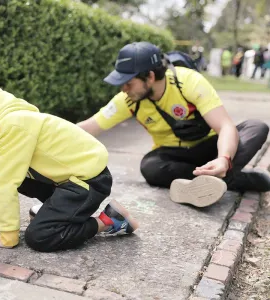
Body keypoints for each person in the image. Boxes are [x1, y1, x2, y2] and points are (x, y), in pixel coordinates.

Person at [0, 80, 139, 252]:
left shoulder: (12, 126)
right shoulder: (3, 127)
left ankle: (109, 220)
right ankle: (58, 211)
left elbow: (4, 184)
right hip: (71, 179)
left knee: (40, 236)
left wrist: (7, 236)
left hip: (88, 182)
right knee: (13, 175)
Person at [78, 42, 270, 207]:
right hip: (174, 157)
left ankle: (214, 178)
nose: (123, 89)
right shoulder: (128, 100)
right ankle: (230, 180)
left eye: (128, 83)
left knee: (256, 127)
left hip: (209, 146)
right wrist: (50, 129)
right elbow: (90, 126)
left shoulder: (188, 81)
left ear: (150, 77)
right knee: (150, 167)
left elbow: (225, 127)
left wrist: (224, 159)